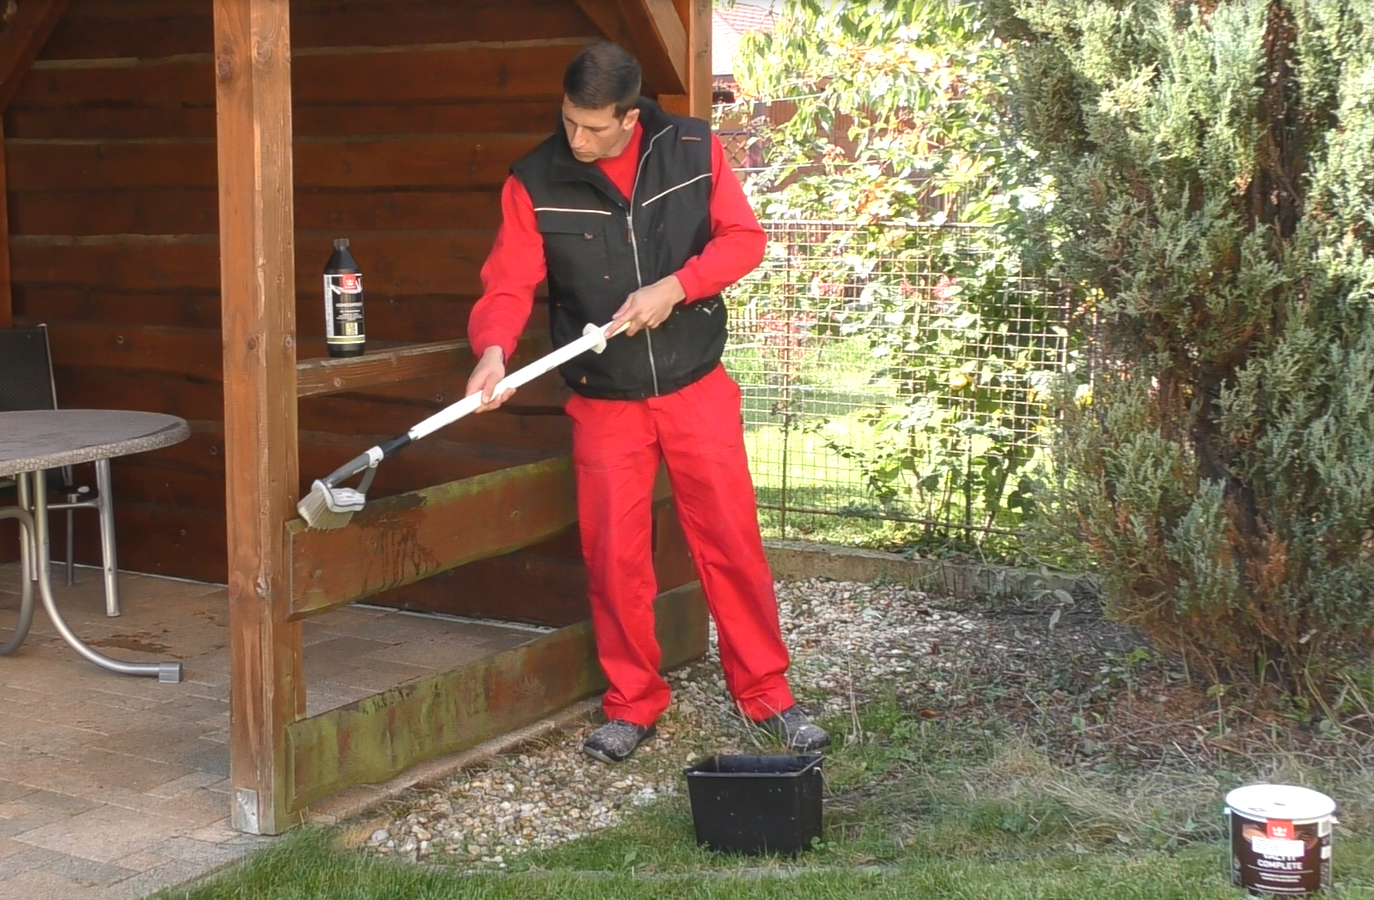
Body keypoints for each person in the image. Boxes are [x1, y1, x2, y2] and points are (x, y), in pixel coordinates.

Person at [464, 41, 830, 763]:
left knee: (730, 543)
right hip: (606, 401)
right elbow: (507, 283)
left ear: (632, 117)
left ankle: (769, 696)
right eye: (569, 121)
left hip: (695, 385)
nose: (577, 139)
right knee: (614, 558)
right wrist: (493, 350)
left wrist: (677, 287)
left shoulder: (692, 148)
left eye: (594, 127)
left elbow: (744, 240)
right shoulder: (535, 180)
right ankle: (632, 703)